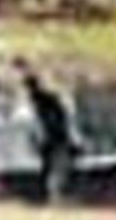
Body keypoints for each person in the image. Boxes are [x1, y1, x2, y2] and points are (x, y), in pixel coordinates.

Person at [19, 64, 75, 203]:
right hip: (55, 138)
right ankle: (54, 196)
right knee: (56, 167)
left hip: (53, 138)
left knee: (52, 167)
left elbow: (47, 120)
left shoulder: (41, 101)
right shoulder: (48, 100)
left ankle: (53, 195)